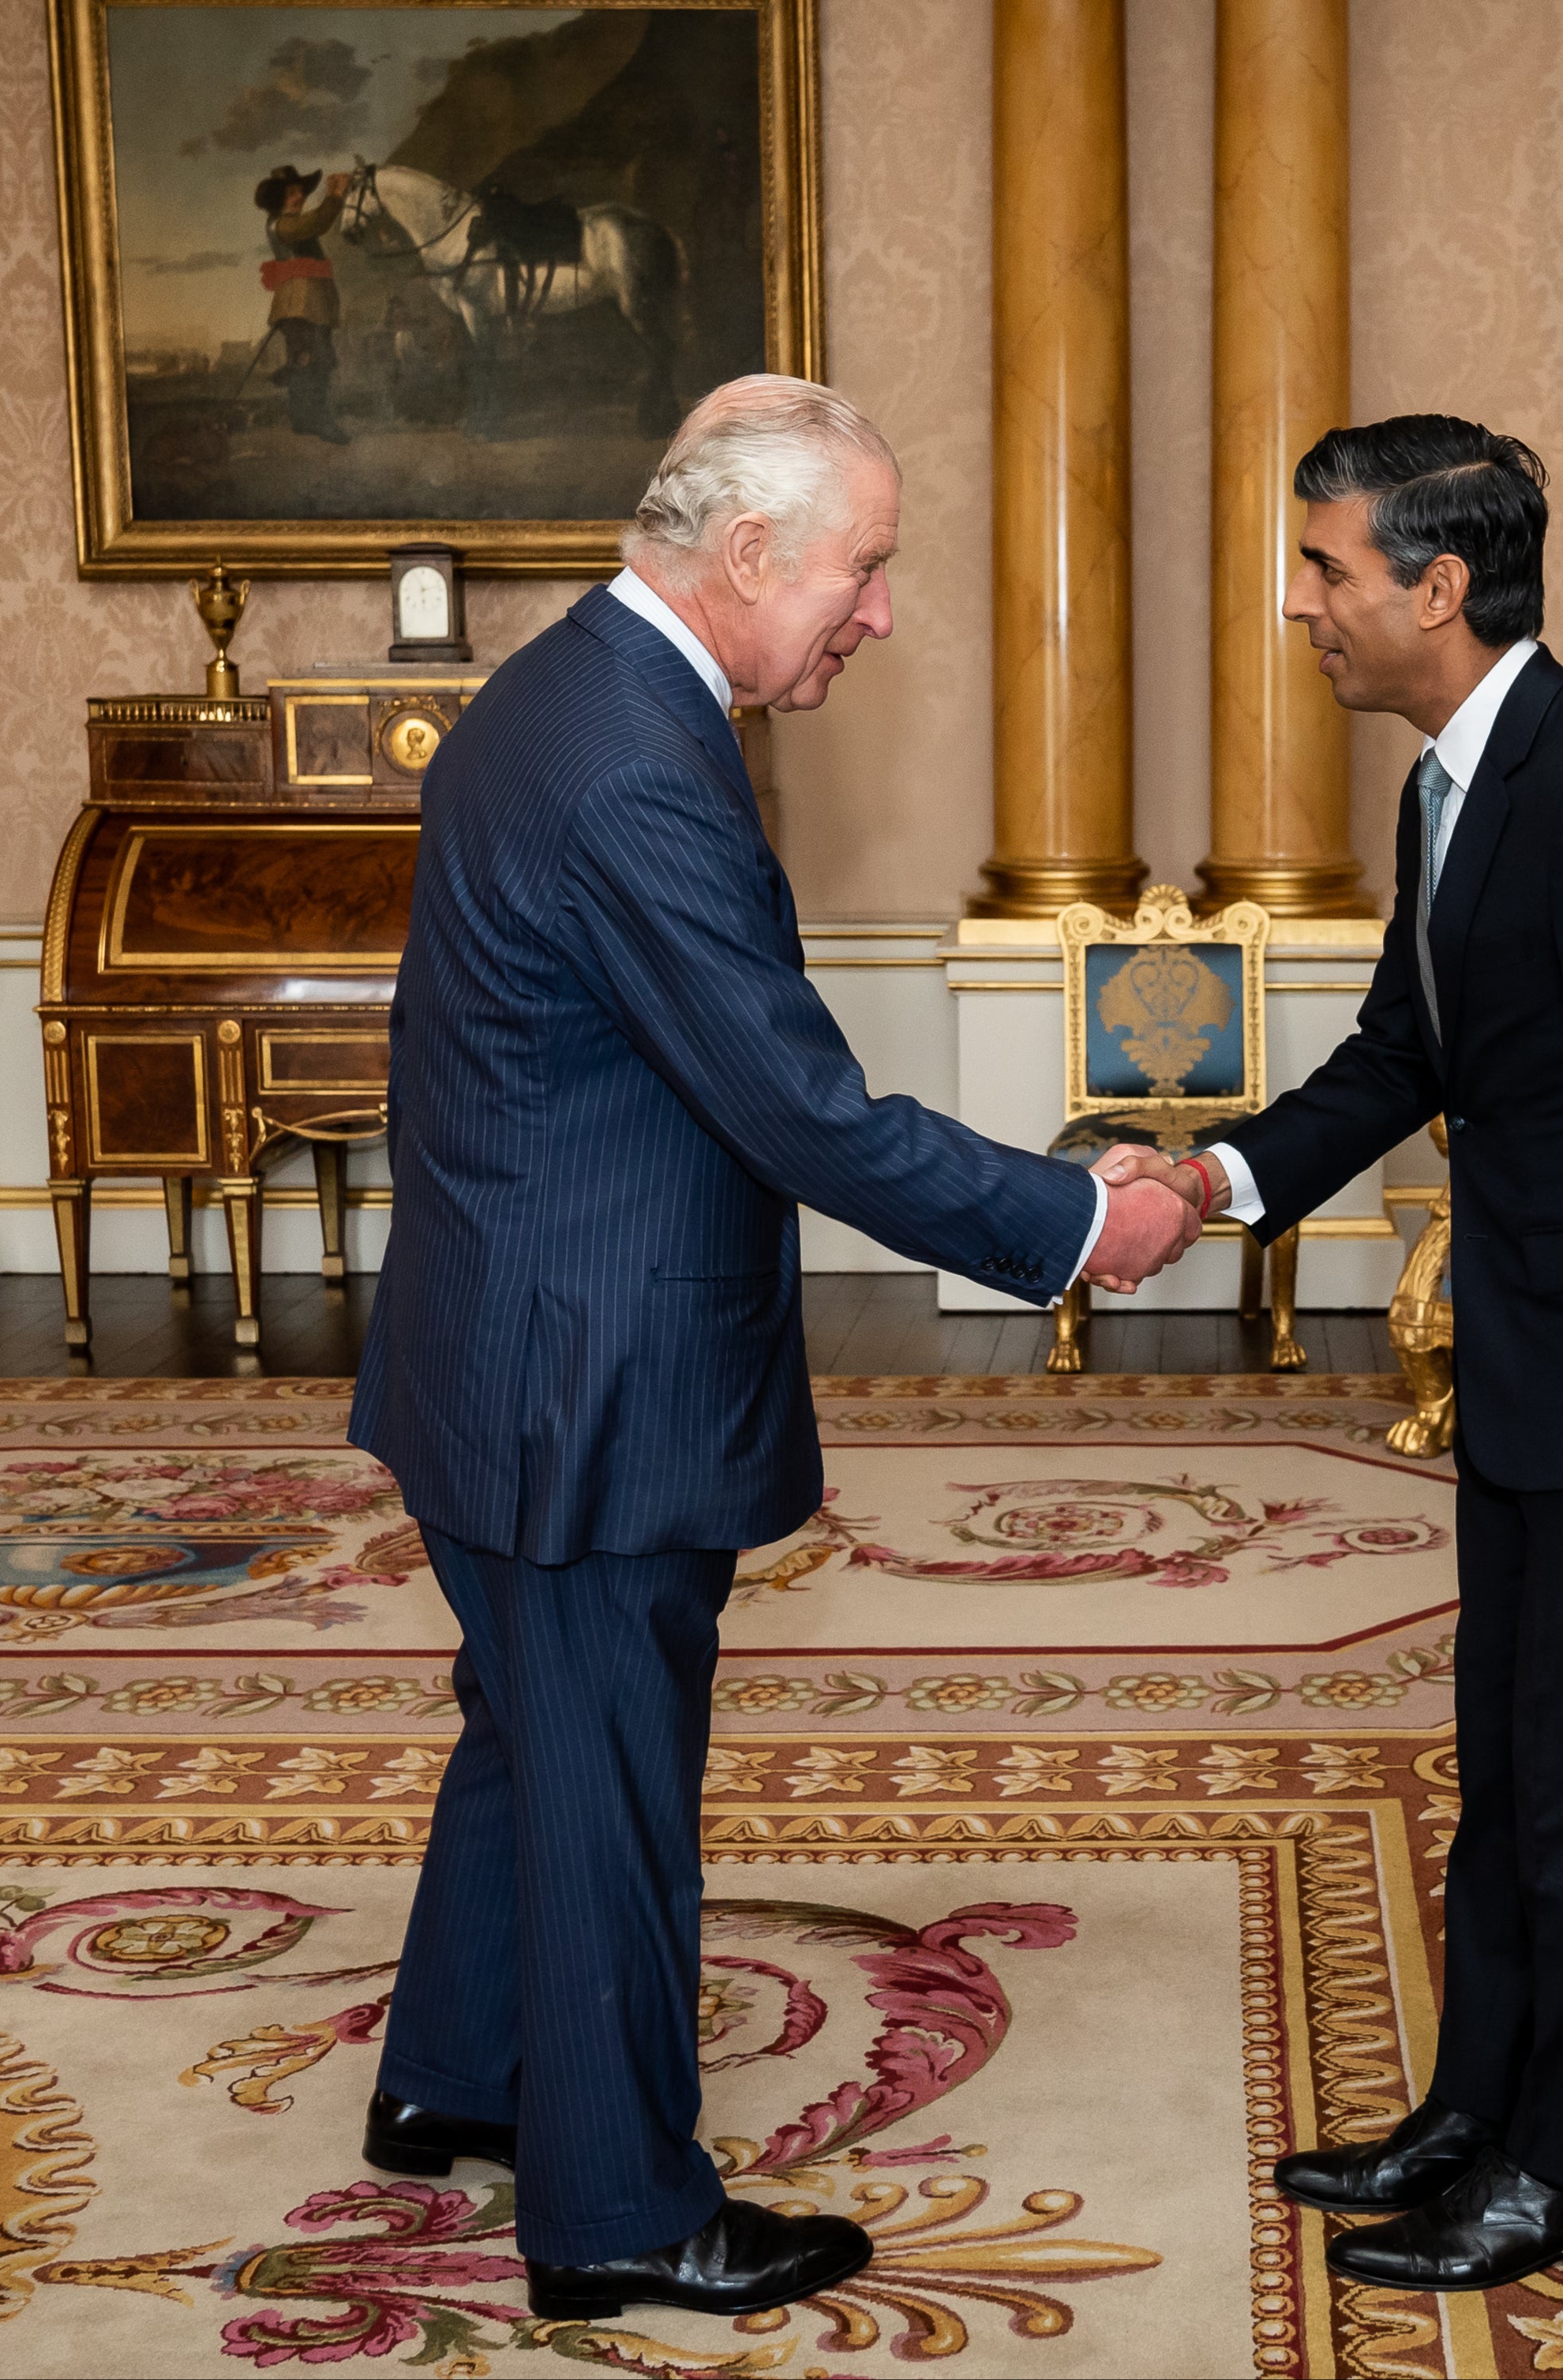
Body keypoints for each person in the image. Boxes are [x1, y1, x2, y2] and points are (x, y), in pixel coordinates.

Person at [348, 375, 1200, 2322]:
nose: (879, 612)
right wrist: (1079, 1217)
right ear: (744, 556)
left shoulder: (565, 685)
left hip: (501, 1335)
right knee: (608, 1783)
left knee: (528, 1724)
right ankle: (621, 2211)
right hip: (585, 1379)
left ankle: (457, 2075)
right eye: (866, 566)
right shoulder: (637, 760)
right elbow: (802, 1108)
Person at [1110, 415, 1563, 2292]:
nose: (1299, 602)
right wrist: (1221, 1170)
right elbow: (1406, 1055)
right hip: (1528, 1349)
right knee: (1505, 1766)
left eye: (1326, 568)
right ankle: (1470, 2112)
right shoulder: (1448, 782)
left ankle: (1559, 2176)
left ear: (1437, 584)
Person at [253, 163, 350, 445]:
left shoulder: (286, 223)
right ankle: (322, 423)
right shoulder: (284, 225)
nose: (298, 198)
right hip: (302, 306)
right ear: (278, 200)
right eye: (290, 193)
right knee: (316, 361)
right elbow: (317, 222)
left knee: (302, 360)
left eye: (299, 192)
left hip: (305, 304)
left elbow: (313, 222)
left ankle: (301, 420)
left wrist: (333, 193)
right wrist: (336, 196)